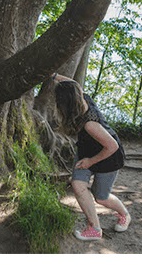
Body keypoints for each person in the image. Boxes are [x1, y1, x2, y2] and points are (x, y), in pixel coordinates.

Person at [52, 73, 131, 241]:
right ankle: (95, 228)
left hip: (107, 158)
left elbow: (112, 146)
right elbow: (72, 83)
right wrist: (53, 75)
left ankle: (124, 214)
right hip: (86, 151)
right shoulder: (81, 96)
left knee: (101, 197)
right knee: (78, 184)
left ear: (66, 104)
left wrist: (90, 162)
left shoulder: (90, 125)